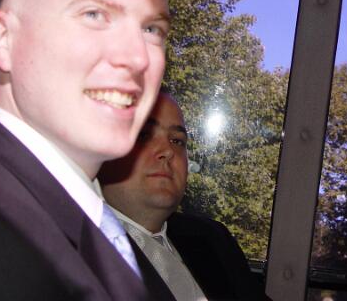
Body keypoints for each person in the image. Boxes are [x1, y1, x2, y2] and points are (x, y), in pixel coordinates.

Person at [0, 0, 175, 301]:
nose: (138, 57)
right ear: (4, 40)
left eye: (151, 29)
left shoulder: (75, 215)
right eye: (94, 14)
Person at [100, 90, 269, 301]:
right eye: (144, 135)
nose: (168, 150)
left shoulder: (213, 239)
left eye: (177, 141)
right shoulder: (76, 252)